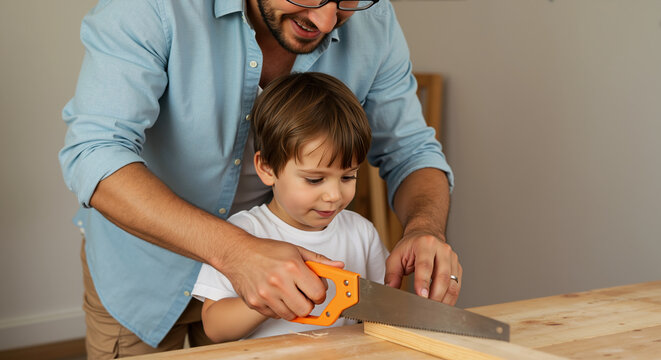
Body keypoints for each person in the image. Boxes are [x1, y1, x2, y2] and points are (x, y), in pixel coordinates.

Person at [59, 0, 461, 357]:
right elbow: (94, 154)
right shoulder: (150, 8)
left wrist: (425, 228)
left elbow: (411, 151)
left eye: (345, 0)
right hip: (140, 269)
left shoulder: (374, 19)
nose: (325, 20)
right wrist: (236, 252)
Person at [193, 72, 389, 342]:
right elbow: (214, 327)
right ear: (267, 168)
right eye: (314, 179)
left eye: (348, 176)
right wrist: (268, 298)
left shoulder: (362, 234)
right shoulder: (243, 233)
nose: (333, 195)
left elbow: (385, 310)